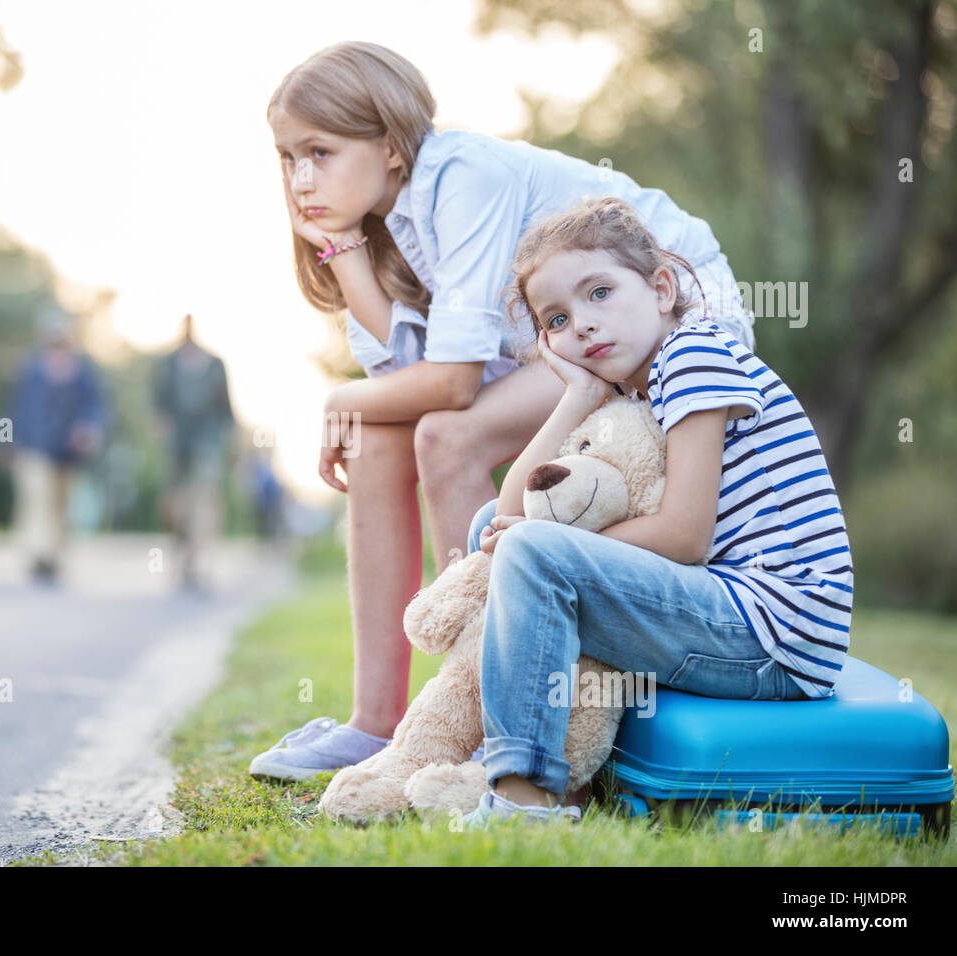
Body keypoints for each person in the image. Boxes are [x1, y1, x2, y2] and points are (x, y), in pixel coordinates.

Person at [248, 40, 759, 781]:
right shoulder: (380, 228)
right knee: (380, 439)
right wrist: (347, 256)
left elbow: (450, 387)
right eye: (287, 158)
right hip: (564, 345)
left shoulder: (460, 175)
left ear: (389, 147)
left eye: (320, 152)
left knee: (449, 438)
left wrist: (336, 396)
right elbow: (404, 379)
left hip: (660, 316)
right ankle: (375, 723)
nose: (300, 179)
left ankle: (495, 715)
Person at [457, 196, 851, 828]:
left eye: (600, 292)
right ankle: (525, 758)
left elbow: (685, 534)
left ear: (662, 287)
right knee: (494, 529)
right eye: (556, 318)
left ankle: (524, 795)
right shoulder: (629, 390)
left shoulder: (693, 355)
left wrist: (542, 542)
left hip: (777, 631)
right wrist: (577, 393)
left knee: (531, 548)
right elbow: (510, 513)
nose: (582, 325)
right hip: (723, 608)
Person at [4, 307, 111, 584]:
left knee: (60, 507)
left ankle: (54, 556)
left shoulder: (82, 373)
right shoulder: (32, 370)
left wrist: (89, 429)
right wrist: (6, 441)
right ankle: (39, 554)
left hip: (66, 451)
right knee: (36, 500)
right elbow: (15, 409)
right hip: (32, 447)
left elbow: (95, 408)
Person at [151, 313, 235, 593]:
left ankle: (199, 562)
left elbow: (226, 409)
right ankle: (181, 558)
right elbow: (159, 403)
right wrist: (162, 424)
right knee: (176, 506)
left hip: (207, 443)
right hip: (177, 447)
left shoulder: (215, 365)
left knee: (204, 502)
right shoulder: (168, 364)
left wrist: (231, 442)